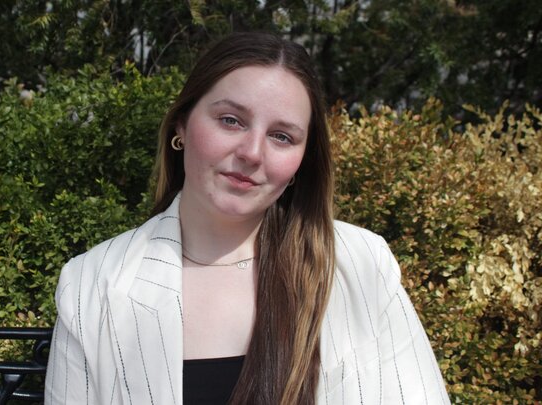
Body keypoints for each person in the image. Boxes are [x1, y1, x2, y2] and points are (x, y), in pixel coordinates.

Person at [44, 32, 450, 404]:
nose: (253, 153)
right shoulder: (93, 285)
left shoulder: (360, 264)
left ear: (302, 162)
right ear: (182, 125)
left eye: (282, 136)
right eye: (231, 120)